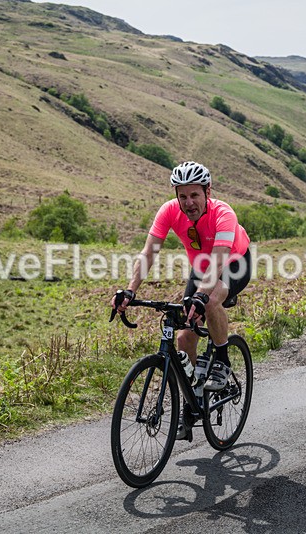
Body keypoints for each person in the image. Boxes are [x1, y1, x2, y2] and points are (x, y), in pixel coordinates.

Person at [112, 161, 251, 438]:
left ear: (207, 192)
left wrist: (201, 296)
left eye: (194, 195)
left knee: (209, 301)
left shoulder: (224, 213)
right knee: (184, 338)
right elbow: (148, 252)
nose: (188, 202)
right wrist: (130, 291)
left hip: (234, 262)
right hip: (202, 267)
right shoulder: (169, 211)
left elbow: (219, 261)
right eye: (182, 196)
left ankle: (222, 360)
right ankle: (193, 401)